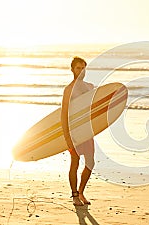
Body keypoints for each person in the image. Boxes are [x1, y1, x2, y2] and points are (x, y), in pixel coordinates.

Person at [61, 56, 95, 206]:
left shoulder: (90, 86)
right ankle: (74, 195)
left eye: (83, 68)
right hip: (74, 131)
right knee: (75, 162)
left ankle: (81, 192)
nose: (81, 71)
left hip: (87, 130)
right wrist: (67, 136)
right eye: (78, 68)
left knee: (90, 163)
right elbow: (64, 114)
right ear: (72, 70)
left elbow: (95, 109)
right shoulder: (69, 90)